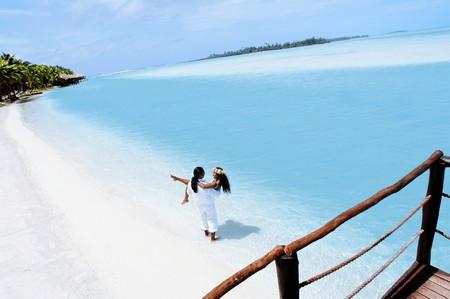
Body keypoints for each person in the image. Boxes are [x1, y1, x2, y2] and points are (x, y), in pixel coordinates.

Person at [170, 167, 231, 241]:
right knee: (212, 219)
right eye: (204, 172)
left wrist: (179, 179)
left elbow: (188, 183)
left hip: (199, 205)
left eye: (214, 173)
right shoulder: (205, 184)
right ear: (201, 175)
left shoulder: (192, 183)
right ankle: (212, 239)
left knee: (203, 218)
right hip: (208, 205)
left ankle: (206, 233)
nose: (211, 174)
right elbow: (206, 188)